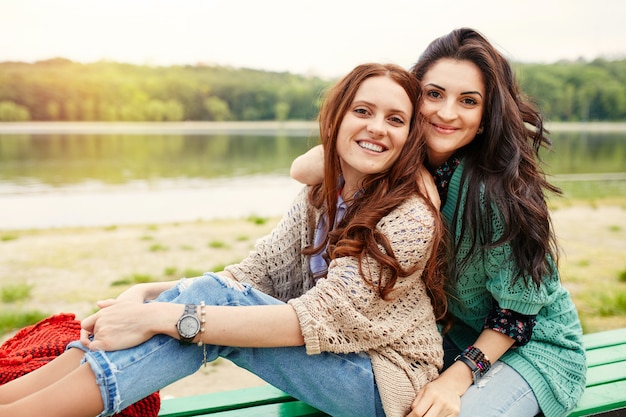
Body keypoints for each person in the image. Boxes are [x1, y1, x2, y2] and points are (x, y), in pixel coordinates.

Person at [0, 63, 448, 417]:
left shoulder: (409, 216)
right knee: (206, 301)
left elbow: (314, 319)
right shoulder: (320, 194)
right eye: (363, 111)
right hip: (332, 357)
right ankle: (14, 400)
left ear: (409, 137)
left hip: (387, 385)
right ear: (336, 118)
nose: (377, 128)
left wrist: (162, 316)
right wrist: (146, 297)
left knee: (201, 315)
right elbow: (253, 274)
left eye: (395, 119)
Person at [290, 28, 587, 417]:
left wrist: (456, 379)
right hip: (445, 345)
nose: (447, 113)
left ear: (484, 117)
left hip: (532, 351)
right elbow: (305, 167)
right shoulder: (394, 156)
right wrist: (411, 171)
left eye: (468, 101)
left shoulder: (495, 190)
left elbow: (517, 314)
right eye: (434, 94)